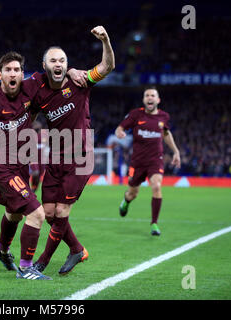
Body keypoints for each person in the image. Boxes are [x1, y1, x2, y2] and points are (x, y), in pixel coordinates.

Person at [0, 51, 86, 280]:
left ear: (22, 74)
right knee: (36, 213)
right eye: (8, 70)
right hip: (1, 167)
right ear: (0, 75)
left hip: (20, 166)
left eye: (16, 70)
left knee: (14, 213)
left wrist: (72, 71)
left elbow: (53, 74)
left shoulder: (30, 86)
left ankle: (2, 251)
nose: (13, 73)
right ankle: (26, 268)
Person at [32, 26, 115, 275]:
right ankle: (77, 249)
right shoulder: (40, 93)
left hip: (79, 158)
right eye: (53, 60)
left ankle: (41, 263)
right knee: (48, 212)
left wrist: (106, 40)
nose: (58, 64)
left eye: (63, 60)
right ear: (45, 65)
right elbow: (26, 115)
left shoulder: (79, 81)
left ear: (67, 64)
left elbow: (107, 66)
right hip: (55, 158)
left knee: (61, 211)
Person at [115, 86, 181, 236]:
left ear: (158, 100)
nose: (150, 98)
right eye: (147, 95)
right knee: (132, 193)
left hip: (155, 160)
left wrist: (176, 151)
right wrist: (119, 133)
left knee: (156, 186)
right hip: (137, 162)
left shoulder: (164, 117)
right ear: (144, 99)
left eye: (153, 95)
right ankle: (126, 201)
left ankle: (154, 224)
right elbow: (120, 128)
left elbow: (166, 133)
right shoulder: (135, 115)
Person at [29, 121, 47, 193]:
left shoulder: (44, 136)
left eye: (38, 129)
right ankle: (29, 190)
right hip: (33, 158)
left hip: (42, 160)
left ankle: (33, 190)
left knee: (38, 176)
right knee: (35, 173)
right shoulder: (29, 137)